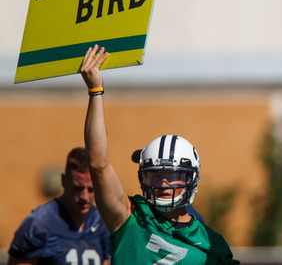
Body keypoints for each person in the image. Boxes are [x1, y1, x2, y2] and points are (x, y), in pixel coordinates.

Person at [79, 44, 239, 264]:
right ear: (143, 177)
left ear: (191, 179)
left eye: (173, 176)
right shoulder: (130, 217)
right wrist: (95, 91)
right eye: (155, 175)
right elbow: (98, 164)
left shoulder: (213, 243)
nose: (164, 183)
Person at [8, 147, 110, 265]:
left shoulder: (100, 223)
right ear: (63, 181)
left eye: (91, 189)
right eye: (78, 188)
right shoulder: (39, 225)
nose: (85, 196)